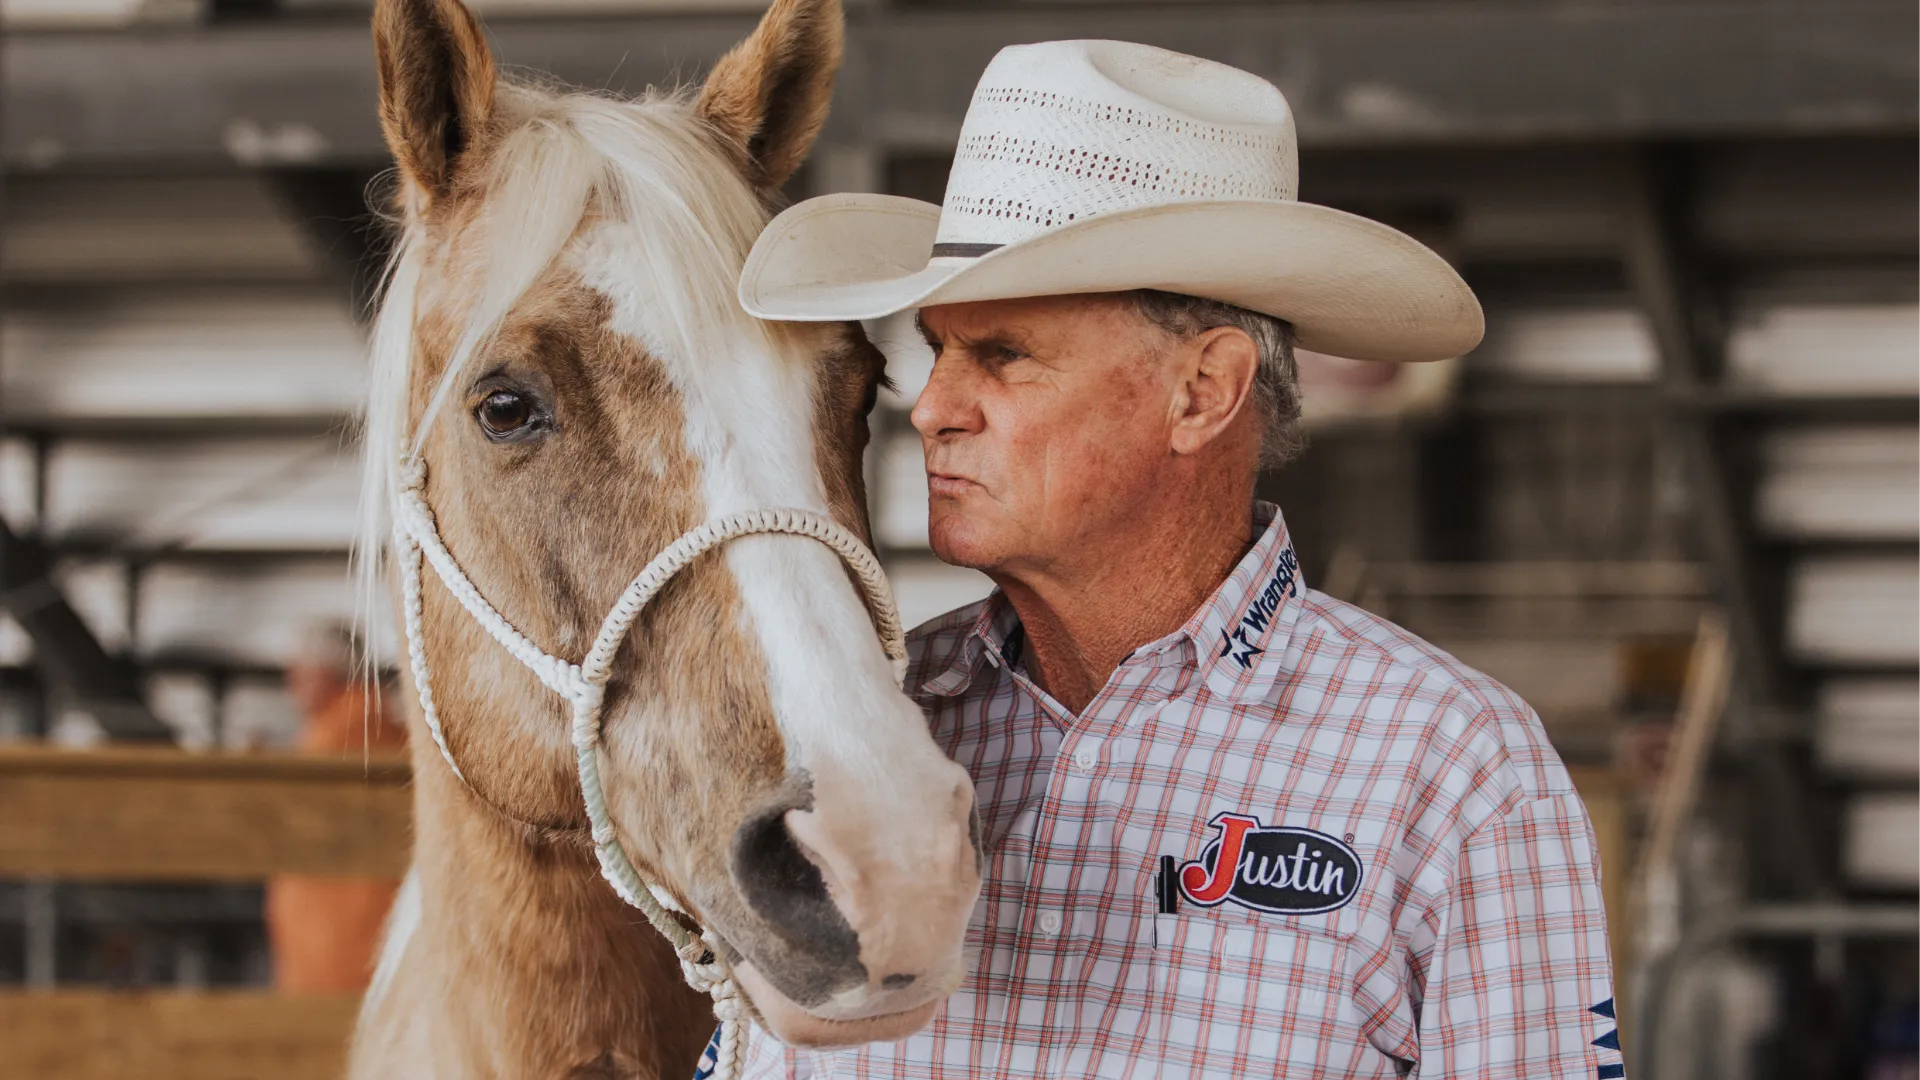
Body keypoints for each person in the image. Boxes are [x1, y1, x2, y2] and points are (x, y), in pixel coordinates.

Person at [727, 39, 1621, 1079]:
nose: (930, 408)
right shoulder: (855, 734)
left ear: (1203, 392)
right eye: (938, 351)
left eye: (1003, 355)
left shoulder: (1453, 771)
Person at [264, 621, 407, 995]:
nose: (290, 686)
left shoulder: (329, 738)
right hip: (384, 945)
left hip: (333, 949)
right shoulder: (389, 729)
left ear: (325, 673)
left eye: (298, 673)